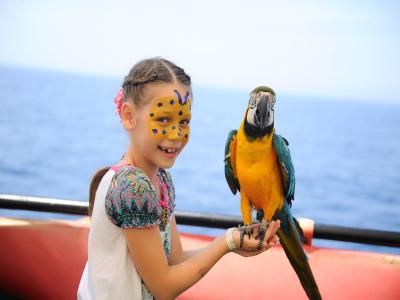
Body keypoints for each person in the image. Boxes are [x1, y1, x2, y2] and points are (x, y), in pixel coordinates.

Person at [77, 57, 281, 300]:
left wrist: (233, 245)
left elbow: (175, 260)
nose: (176, 134)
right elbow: (163, 287)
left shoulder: (161, 181)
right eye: (163, 119)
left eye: (184, 121)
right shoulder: (133, 188)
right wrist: (227, 241)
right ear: (128, 116)